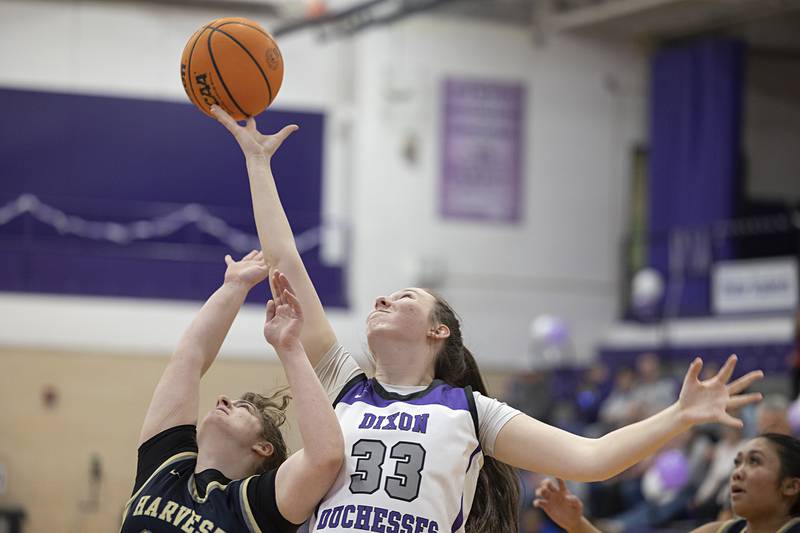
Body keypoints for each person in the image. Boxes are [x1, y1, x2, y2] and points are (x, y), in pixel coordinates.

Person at [210, 105, 765, 533]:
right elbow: (286, 268)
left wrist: (679, 416)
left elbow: (590, 458)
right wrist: (258, 164)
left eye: (403, 297)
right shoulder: (343, 385)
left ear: (438, 330)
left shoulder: (473, 412)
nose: (381, 300)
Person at [120, 251, 344, 532]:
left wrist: (289, 347)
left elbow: (325, 456)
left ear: (263, 447)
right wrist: (234, 286)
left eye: (244, 408)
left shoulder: (256, 505)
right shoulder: (165, 465)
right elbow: (190, 356)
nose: (223, 399)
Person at [533, 433, 800, 533]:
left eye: (754, 462)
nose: (738, 472)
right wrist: (576, 524)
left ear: (791, 486)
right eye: (737, 462)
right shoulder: (720, 530)